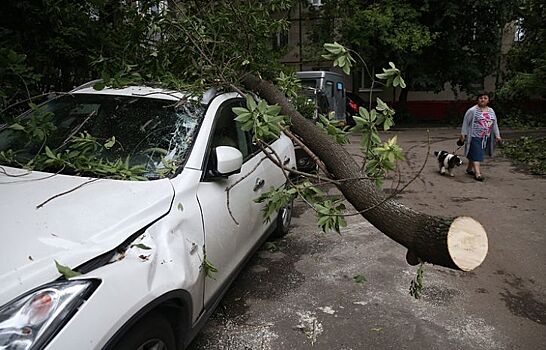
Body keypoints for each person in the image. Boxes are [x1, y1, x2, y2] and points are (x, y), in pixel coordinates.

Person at [458, 93, 502, 181]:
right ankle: (478, 173)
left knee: (474, 152)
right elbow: (466, 123)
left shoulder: (491, 111)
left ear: (488, 100)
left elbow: (494, 124)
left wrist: (497, 135)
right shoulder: (472, 111)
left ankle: (469, 169)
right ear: (478, 100)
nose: (483, 99)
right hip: (474, 136)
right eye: (481, 98)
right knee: (477, 154)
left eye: (485, 98)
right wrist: (463, 134)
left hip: (486, 136)